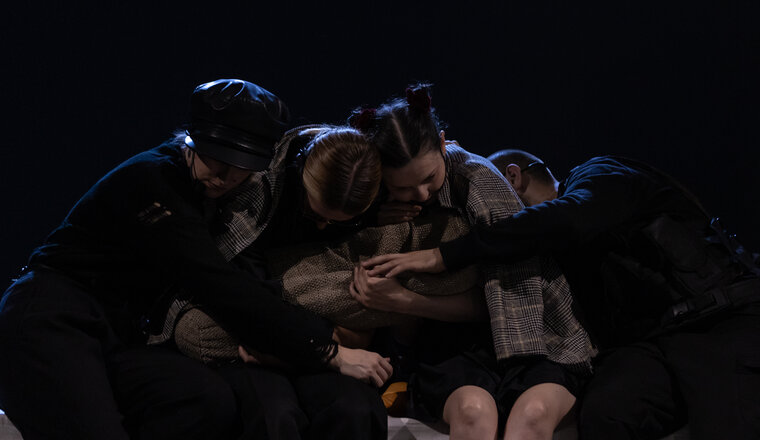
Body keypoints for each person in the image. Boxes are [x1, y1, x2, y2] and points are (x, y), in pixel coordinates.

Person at [0, 79, 390, 440]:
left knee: (205, 398)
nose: (221, 177)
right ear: (192, 139)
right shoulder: (153, 183)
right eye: (214, 158)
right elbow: (222, 287)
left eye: (237, 169)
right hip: (53, 314)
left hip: (116, 333)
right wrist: (328, 351)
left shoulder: (227, 200)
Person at [364, 148, 760, 440]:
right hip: (647, 345)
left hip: (718, 320)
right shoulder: (554, 261)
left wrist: (444, 255)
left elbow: (570, 218)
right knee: (607, 412)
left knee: (729, 424)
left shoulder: (600, 174)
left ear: (512, 179)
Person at [349, 85, 596, 440]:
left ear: (443, 143)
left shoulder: (479, 183)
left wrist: (404, 299)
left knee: (533, 414)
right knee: (473, 412)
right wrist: (378, 221)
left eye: (428, 178)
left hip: (538, 336)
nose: (421, 194)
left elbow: (510, 302)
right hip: (452, 344)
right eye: (403, 188)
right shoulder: (378, 200)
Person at [180, 123, 392, 440]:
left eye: (339, 222)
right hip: (259, 325)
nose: (322, 228)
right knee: (273, 412)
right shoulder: (256, 192)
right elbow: (250, 302)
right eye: (315, 214)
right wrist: (332, 343)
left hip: (316, 323)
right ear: (301, 176)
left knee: (355, 409)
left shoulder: (372, 194)